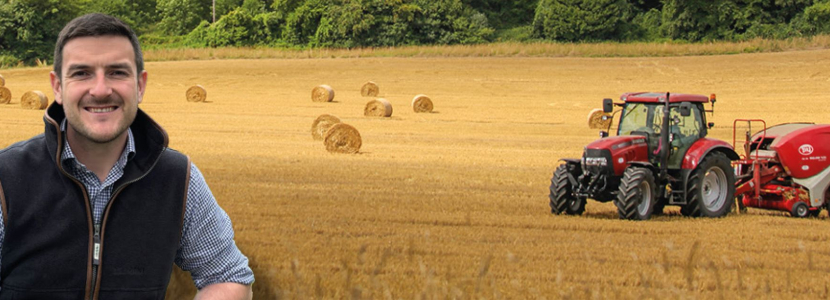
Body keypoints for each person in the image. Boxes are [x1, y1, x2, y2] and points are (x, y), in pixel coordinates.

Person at [0, 13, 254, 299]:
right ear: (57, 86)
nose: (100, 90)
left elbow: (228, 276)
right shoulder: (6, 179)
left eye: (117, 72)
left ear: (140, 85)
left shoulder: (178, 179)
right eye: (81, 73)